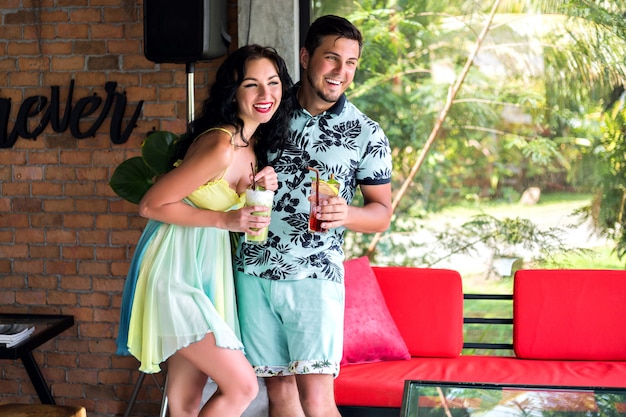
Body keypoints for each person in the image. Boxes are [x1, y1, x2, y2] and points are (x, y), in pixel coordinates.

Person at [115, 44, 294, 417]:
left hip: (205, 274)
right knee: (242, 387)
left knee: (184, 404)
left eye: (273, 83)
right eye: (252, 85)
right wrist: (226, 220)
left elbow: (212, 197)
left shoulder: (249, 146)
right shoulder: (221, 145)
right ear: (233, 92)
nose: (266, 95)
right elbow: (151, 204)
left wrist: (253, 191)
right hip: (175, 274)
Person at [234, 15, 393, 417]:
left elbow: (382, 214)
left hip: (315, 277)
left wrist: (348, 213)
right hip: (254, 271)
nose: (341, 72)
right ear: (305, 57)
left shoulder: (365, 132)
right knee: (280, 394)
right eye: (332, 58)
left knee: (318, 401)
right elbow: (229, 164)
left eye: (352, 63)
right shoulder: (267, 110)